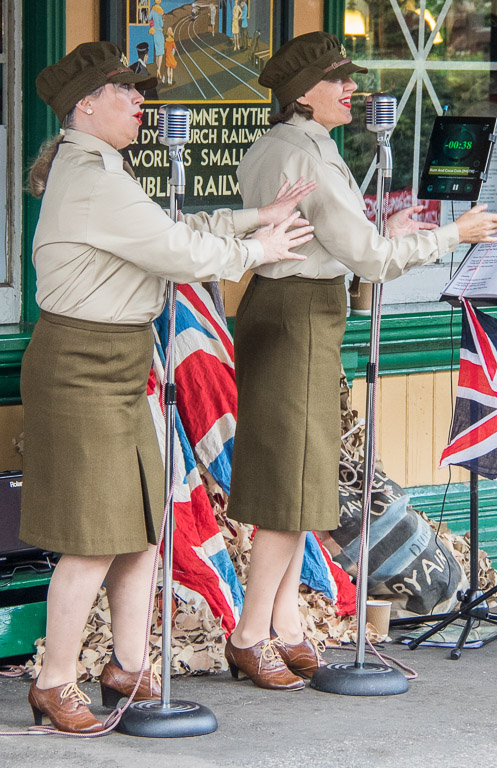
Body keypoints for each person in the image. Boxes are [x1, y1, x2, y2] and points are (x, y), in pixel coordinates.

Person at [21, 41, 316, 732]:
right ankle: (54, 682)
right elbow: (177, 253)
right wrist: (257, 252)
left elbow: (173, 227)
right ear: (85, 104)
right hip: (81, 363)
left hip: (121, 361)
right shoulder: (91, 175)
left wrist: (252, 219)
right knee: (93, 535)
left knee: (140, 528)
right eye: (127, 93)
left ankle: (125, 667)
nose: (141, 103)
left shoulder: (105, 169)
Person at [226, 31, 497, 691]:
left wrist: (379, 236)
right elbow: (367, 260)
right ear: (302, 92)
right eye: (339, 79)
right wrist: (455, 233)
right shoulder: (312, 158)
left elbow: (337, 243)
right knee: (291, 489)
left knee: (298, 482)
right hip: (299, 317)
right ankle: (250, 636)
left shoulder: (277, 146)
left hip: (285, 309)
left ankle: (287, 628)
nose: (352, 89)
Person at [148, 0, 165, 80]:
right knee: (160, 53)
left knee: (157, 52)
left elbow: (148, 17)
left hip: (155, 33)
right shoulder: (161, 11)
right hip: (159, 32)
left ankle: (157, 70)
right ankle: (158, 69)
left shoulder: (153, 9)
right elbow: (162, 24)